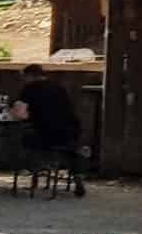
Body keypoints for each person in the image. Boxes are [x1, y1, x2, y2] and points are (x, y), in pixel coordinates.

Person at [11, 64, 87, 197]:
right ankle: (77, 176)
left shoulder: (29, 89)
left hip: (44, 134)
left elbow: (20, 115)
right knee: (70, 149)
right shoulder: (59, 88)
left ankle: (35, 168)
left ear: (29, 76)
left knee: (23, 139)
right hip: (70, 132)